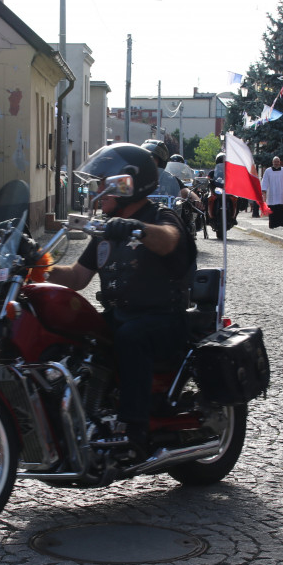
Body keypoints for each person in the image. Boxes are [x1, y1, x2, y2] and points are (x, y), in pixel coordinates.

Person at [46, 143, 197, 451]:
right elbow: (77, 276)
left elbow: (169, 240)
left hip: (163, 320)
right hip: (119, 315)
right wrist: (37, 266)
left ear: (125, 184)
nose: (98, 191)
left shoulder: (160, 216)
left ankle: (133, 427)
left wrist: (136, 228)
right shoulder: (108, 229)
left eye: (104, 184)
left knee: (131, 336)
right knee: (68, 332)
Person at [141, 139, 201, 204]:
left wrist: (197, 202)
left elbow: (185, 191)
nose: (148, 161)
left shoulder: (170, 179)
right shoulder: (136, 178)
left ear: (161, 161)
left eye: (152, 158)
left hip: (163, 212)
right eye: (145, 158)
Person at [261, 157, 283, 228]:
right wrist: (264, 190)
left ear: (279, 162)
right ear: (272, 162)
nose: (276, 163)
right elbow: (265, 180)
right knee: (273, 208)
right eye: (275, 162)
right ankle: (273, 224)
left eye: (277, 161)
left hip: (281, 192)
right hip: (272, 192)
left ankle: (282, 223)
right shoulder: (268, 171)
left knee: (281, 208)